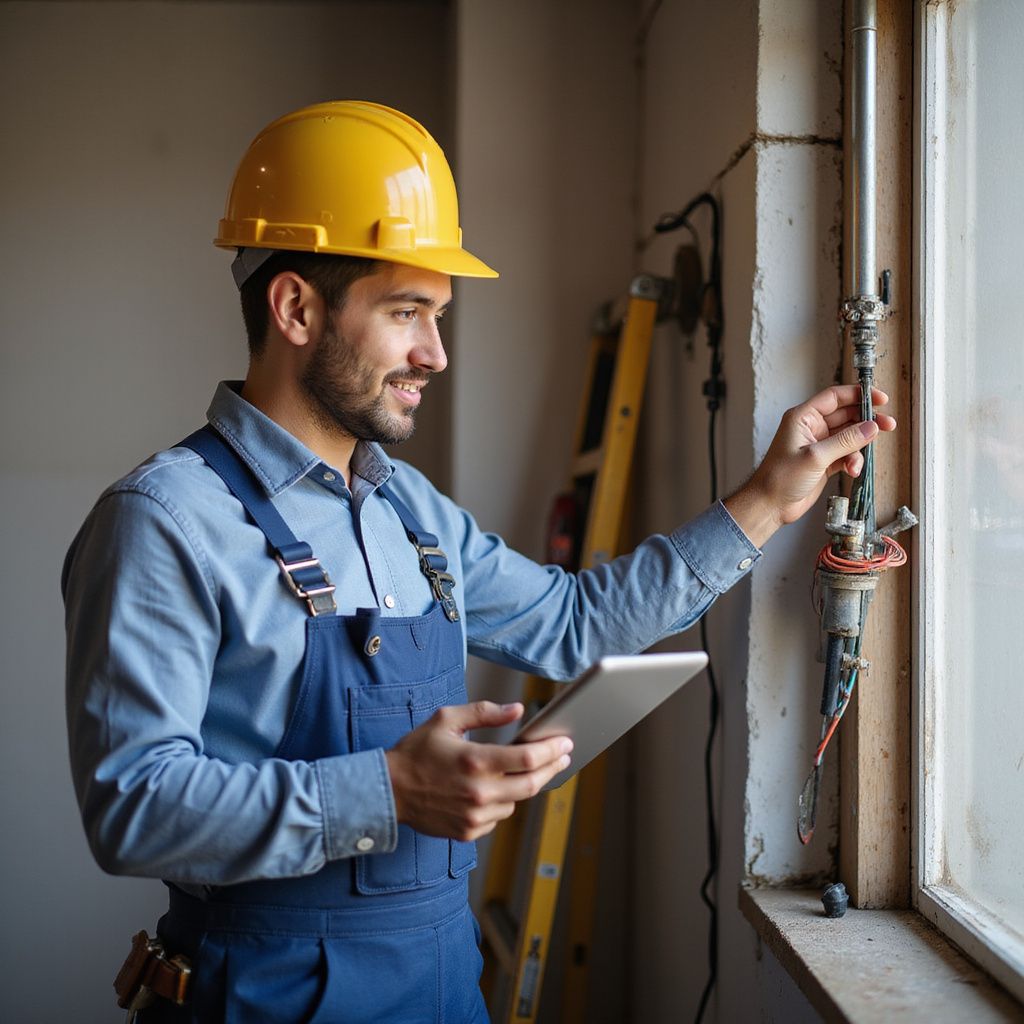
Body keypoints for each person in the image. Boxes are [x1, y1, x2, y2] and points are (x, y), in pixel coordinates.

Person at [62, 100, 895, 1023]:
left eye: (440, 314)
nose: (436, 353)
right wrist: (385, 789)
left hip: (446, 981)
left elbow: (575, 623)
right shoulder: (164, 520)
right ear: (296, 306)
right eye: (407, 311)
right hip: (262, 996)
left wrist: (770, 499)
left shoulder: (404, 507)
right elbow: (131, 804)